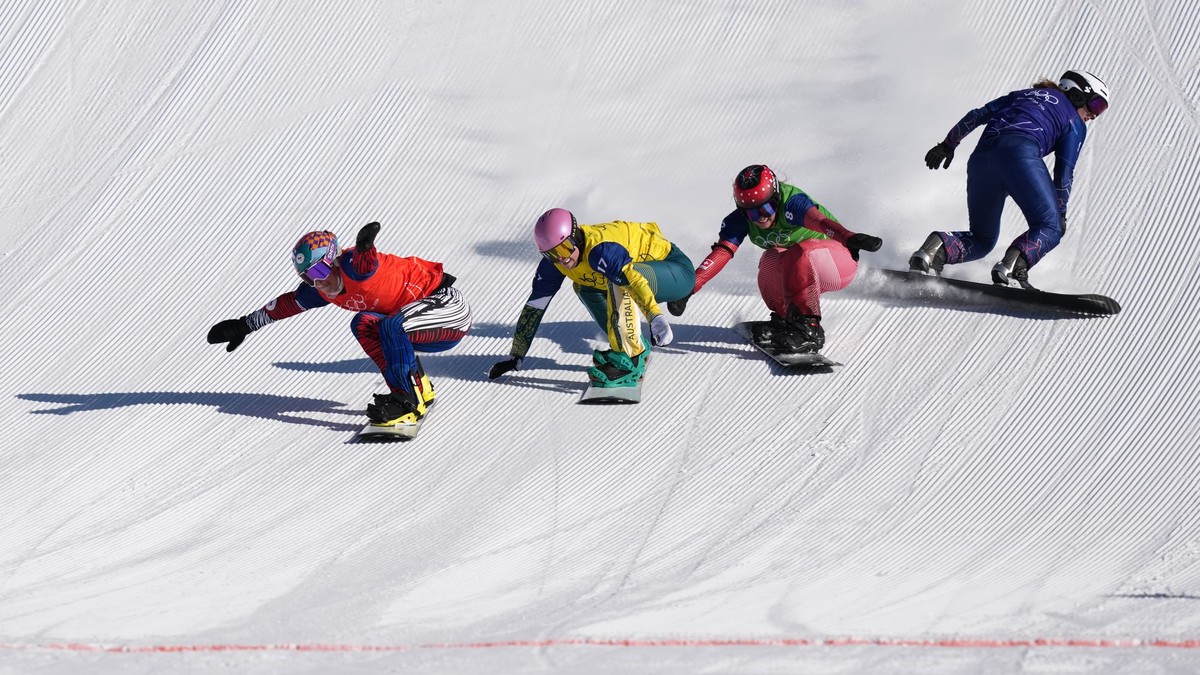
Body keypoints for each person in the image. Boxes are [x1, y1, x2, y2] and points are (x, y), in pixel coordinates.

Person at [206, 222, 471, 427]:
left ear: (334, 261)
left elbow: (365, 262)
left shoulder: (353, 267)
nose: (318, 282)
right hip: (421, 323)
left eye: (319, 271)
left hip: (448, 308)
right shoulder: (322, 290)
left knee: (392, 326)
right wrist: (244, 326)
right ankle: (415, 387)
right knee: (363, 324)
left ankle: (406, 402)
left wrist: (365, 246)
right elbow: (286, 305)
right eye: (308, 277)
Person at [910, 69, 1111, 288]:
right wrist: (1060, 214)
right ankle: (1012, 271)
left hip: (981, 160)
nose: (1094, 115)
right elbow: (1064, 172)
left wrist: (948, 145)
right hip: (1020, 156)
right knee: (1051, 227)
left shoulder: (1021, 95)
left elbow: (977, 115)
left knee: (982, 239)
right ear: (1077, 94)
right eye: (1096, 105)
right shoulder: (1074, 121)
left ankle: (934, 251)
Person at [668, 165, 882, 354]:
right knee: (770, 258)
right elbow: (722, 253)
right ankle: (787, 318)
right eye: (752, 213)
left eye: (766, 208)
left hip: (838, 263)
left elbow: (820, 222)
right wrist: (689, 287)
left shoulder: (792, 203)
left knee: (801, 252)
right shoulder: (739, 220)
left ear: (777, 198)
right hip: (801, 272)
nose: (761, 217)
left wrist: (848, 237)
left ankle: (809, 329)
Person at [488, 208, 694, 387]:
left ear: (575, 236)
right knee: (583, 285)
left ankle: (630, 359)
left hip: (675, 270)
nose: (562, 258)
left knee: (617, 278)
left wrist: (654, 316)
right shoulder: (555, 264)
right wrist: (516, 354)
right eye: (552, 254)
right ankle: (630, 346)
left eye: (564, 248)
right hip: (642, 274)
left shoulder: (599, 250)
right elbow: (535, 306)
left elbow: (632, 281)